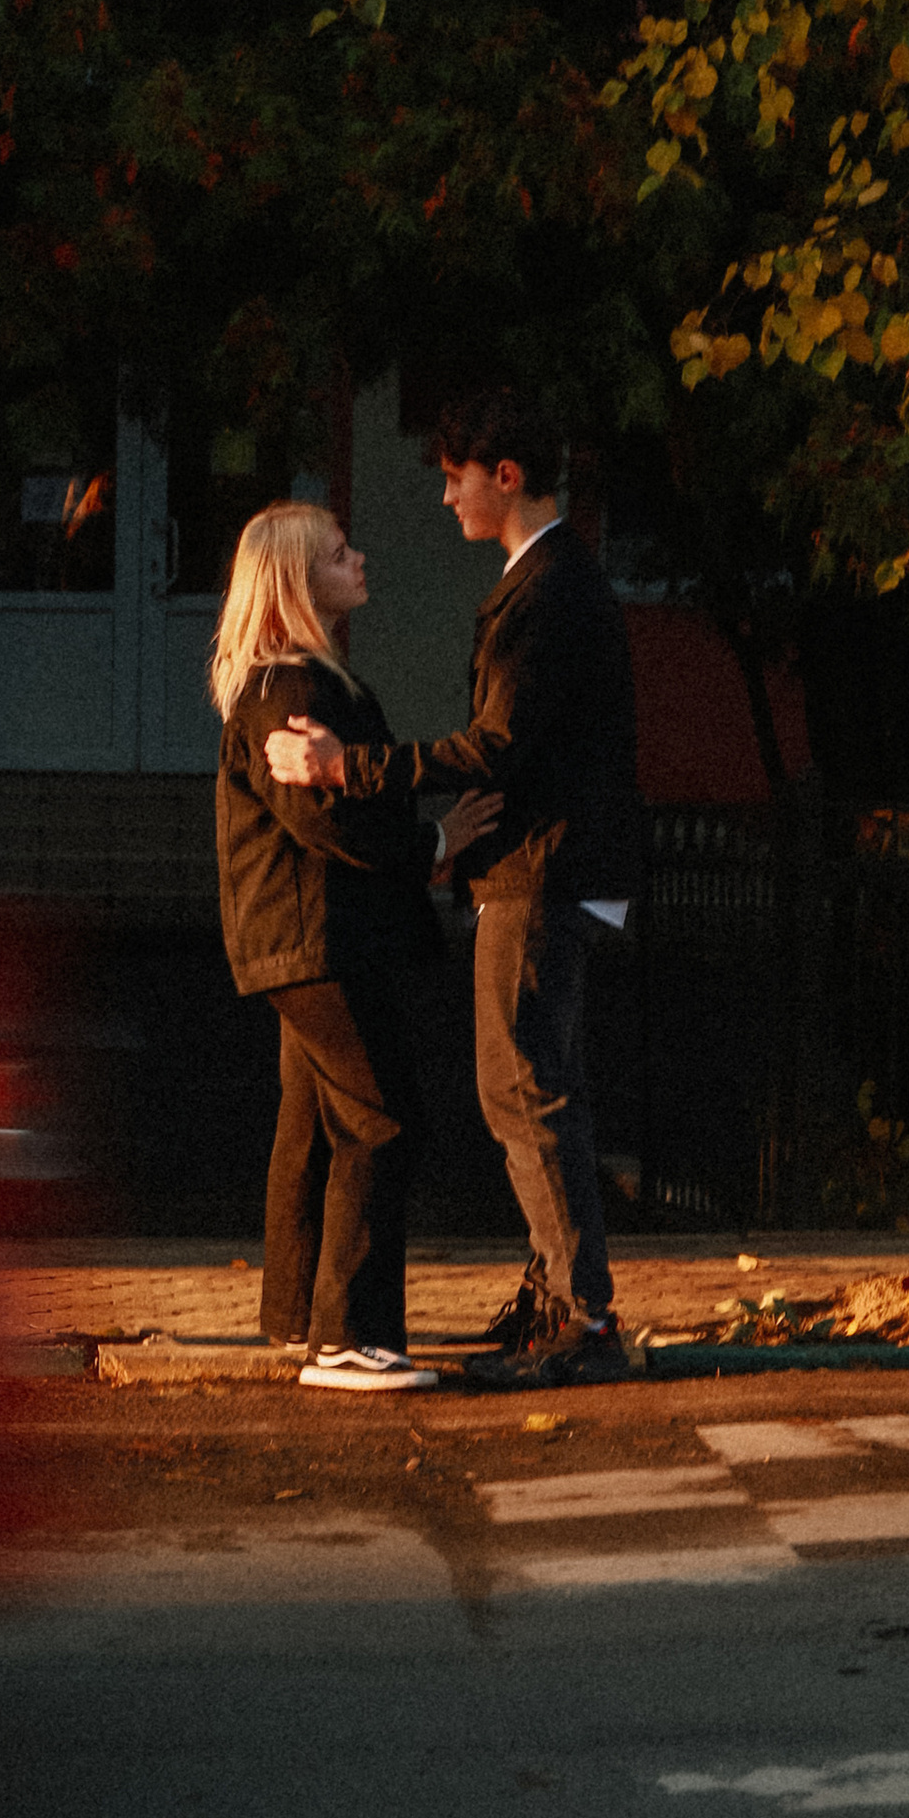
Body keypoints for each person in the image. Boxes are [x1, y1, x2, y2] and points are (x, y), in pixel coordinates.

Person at [263, 382, 641, 1390]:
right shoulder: (554, 579)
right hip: (550, 864)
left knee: (520, 1088)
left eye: (453, 478)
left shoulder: (546, 590)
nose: (444, 500)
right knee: (539, 1086)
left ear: (502, 476)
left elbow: (497, 744)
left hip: (538, 869)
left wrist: (351, 768)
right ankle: (560, 1294)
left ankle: (580, 1316)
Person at [212, 501, 450, 1393]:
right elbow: (321, 818)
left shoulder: (287, 684)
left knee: (311, 1122)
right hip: (323, 941)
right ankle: (348, 1337)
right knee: (381, 1120)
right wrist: (432, 845)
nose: (361, 561)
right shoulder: (295, 691)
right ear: (295, 583)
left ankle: (295, 1317)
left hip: (298, 941)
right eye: (340, 554)